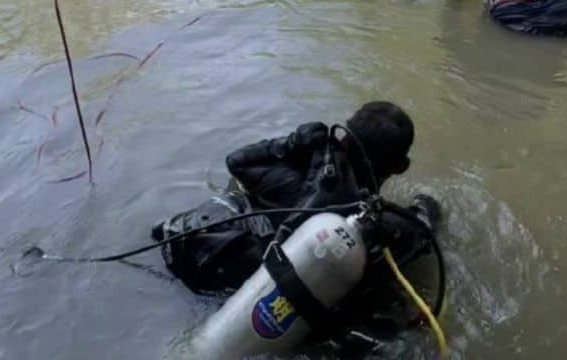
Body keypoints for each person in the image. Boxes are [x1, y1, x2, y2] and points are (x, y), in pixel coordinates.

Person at [152, 101, 441, 352]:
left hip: (196, 265)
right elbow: (421, 231)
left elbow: (236, 162)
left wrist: (290, 145)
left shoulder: (295, 175)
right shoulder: (377, 228)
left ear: (346, 137)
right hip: (260, 313)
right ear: (402, 166)